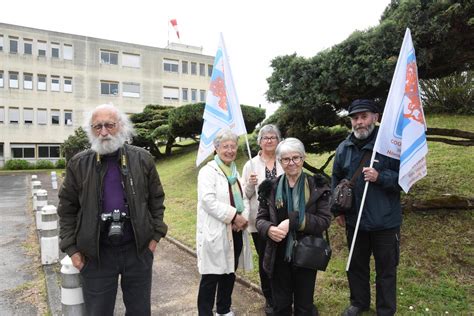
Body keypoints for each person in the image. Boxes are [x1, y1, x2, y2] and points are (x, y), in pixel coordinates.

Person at [57, 103, 167, 316]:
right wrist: (73, 250)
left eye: (109, 125)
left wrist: (154, 238)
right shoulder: (79, 164)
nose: (104, 132)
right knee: (98, 311)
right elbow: (67, 210)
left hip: (137, 250)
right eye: (97, 127)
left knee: (139, 311)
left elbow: (157, 201)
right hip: (96, 254)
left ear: (122, 126)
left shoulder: (142, 159)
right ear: (91, 130)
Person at [331, 99, 402, 316]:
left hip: (385, 222)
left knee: (386, 270)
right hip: (355, 220)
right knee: (356, 266)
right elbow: (336, 179)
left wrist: (380, 177)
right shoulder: (344, 148)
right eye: (355, 118)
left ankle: (385, 309)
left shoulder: (390, 146)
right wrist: (338, 211)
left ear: (376, 117)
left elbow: (403, 179)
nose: (359, 122)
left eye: (364, 116)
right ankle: (359, 303)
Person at [256, 137, 332, 316]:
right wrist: (268, 229)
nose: (291, 163)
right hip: (278, 254)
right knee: (281, 305)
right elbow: (260, 219)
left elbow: (323, 220)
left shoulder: (317, 186)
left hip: (307, 254)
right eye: (286, 159)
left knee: (304, 306)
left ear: (303, 158)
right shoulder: (270, 187)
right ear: (280, 161)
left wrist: (293, 221)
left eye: (296, 158)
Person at [196, 129, 253, 316]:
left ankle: (224, 309)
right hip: (216, 231)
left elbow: (244, 197)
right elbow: (208, 201)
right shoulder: (208, 171)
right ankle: (205, 312)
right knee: (211, 276)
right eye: (225, 146)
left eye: (233, 146)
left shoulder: (235, 172)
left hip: (235, 231)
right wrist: (234, 217)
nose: (230, 150)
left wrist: (242, 218)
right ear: (216, 148)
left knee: (229, 273)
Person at [241, 124, 284, 315]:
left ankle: (284, 297)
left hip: (283, 220)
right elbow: (244, 194)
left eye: (273, 137)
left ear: (279, 140)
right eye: (265, 137)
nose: (269, 141)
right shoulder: (250, 165)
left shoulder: (285, 160)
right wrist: (250, 185)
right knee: (266, 261)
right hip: (260, 222)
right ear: (259, 141)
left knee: (283, 260)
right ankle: (270, 299)